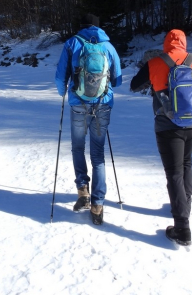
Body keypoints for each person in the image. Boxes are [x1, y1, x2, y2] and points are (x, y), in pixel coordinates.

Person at [129, 29, 192, 245]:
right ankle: (184, 202)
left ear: (166, 43)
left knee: (174, 172)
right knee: (186, 162)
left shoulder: (155, 62)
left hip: (167, 125)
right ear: (184, 43)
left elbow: (133, 85)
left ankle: (182, 228)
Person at [55, 14, 122, 225]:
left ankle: (82, 191)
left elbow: (60, 76)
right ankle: (98, 203)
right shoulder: (108, 47)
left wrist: (63, 92)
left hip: (78, 104)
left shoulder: (72, 43)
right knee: (98, 155)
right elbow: (118, 80)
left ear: (82, 26)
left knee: (77, 147)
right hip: (102, 104)